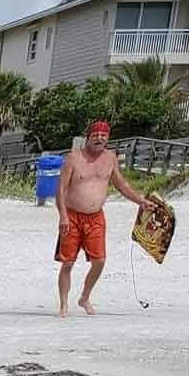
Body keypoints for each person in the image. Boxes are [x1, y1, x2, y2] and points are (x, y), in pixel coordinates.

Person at [54, 121, 155, 317]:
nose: (99, 138)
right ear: (88, 137)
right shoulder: (73, 159)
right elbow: (61, 189)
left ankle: (84, 297)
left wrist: (140, 201)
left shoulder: (110, 158)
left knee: (99, 261)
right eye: (96, 135)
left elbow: (121, 184)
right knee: (67, 263)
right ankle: (63, 304)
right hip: (72, 216)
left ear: (107, 138)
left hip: (96, 217)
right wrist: (63, 216)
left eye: (103, 135)